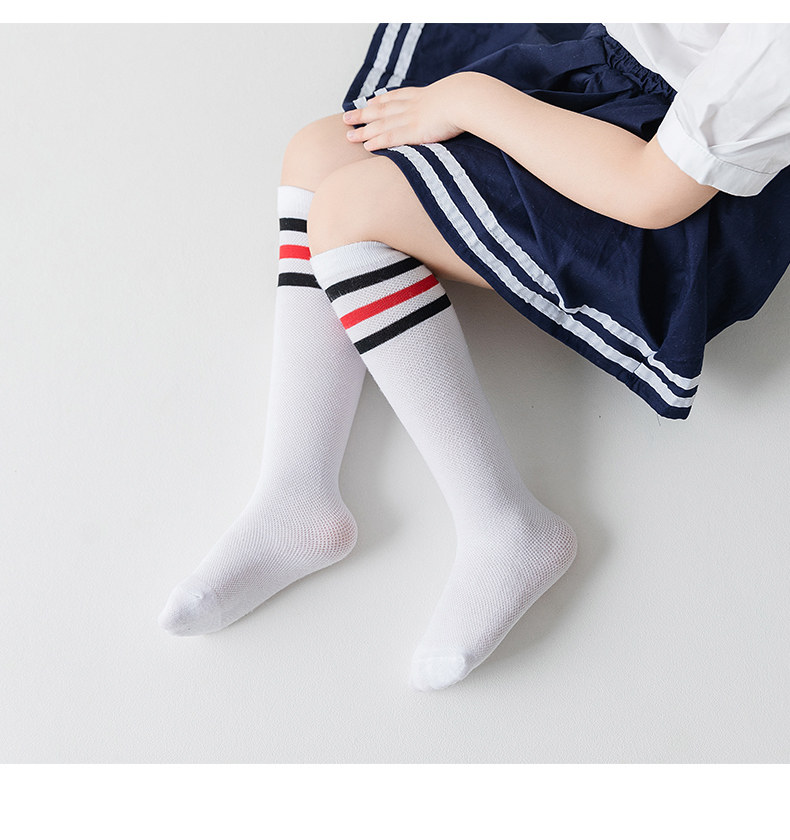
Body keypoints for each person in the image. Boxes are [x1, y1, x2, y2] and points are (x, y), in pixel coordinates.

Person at [158, 23, 790, 691]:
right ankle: (294, 490)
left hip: (663, 178)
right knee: (320, 154)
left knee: (350, 208)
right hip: (599, 73)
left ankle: (504, 524)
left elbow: (651, 191)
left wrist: (468, 99)